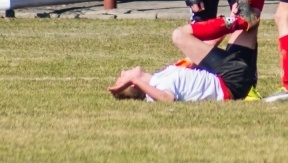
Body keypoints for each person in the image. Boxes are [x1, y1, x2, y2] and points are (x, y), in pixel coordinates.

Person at [108, 14, 260, 102]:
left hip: (237, 79)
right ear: (134, 84)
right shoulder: (158, 87)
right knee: (179, 35)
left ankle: (239, 17)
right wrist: (135, 80)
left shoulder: (164, 74)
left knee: (249, 21)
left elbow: (203, 51)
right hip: (231, 80)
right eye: (123, 77)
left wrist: (229, 23)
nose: (123, 71)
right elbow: (166, 99)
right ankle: (238, 19)